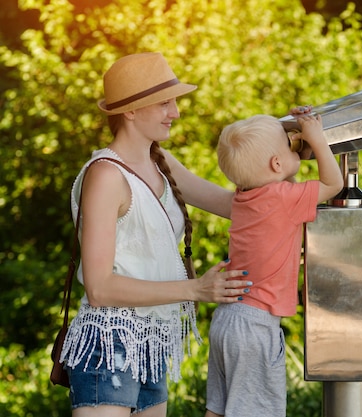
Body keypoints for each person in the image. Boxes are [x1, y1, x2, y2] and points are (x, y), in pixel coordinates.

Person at [59, 52, 258, 417]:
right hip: (109, 343)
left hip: (151, 345)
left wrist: (287, 150)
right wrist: (196, 290)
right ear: (131, 111)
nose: (176, 112)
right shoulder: (105, 176)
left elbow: (237, 206)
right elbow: (100, 289)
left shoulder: (161, 163)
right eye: (165, 102)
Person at [205, 113, 344, 417]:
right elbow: (334, 183)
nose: (295, 147)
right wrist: (317, 139)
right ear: (276, 165)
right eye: (288, 144)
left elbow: (284, 179)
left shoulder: (244, 197)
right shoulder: (284, 198)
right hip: (256, 327)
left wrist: (292, 143)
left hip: (227, 321)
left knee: (218, 410)